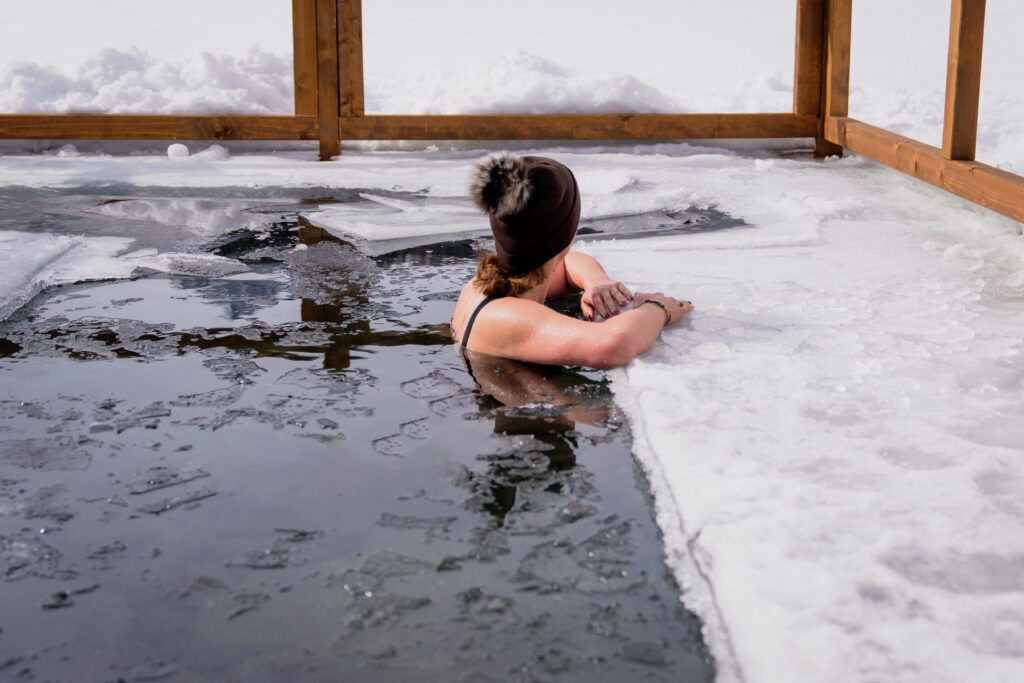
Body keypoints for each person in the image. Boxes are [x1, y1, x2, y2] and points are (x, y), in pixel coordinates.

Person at [451, 151, 692, 369]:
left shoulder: (488, 285)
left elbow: (567, 265)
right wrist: (658, 310)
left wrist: (596, 284)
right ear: (566, 234)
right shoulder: (505, 317)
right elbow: (613, 346)